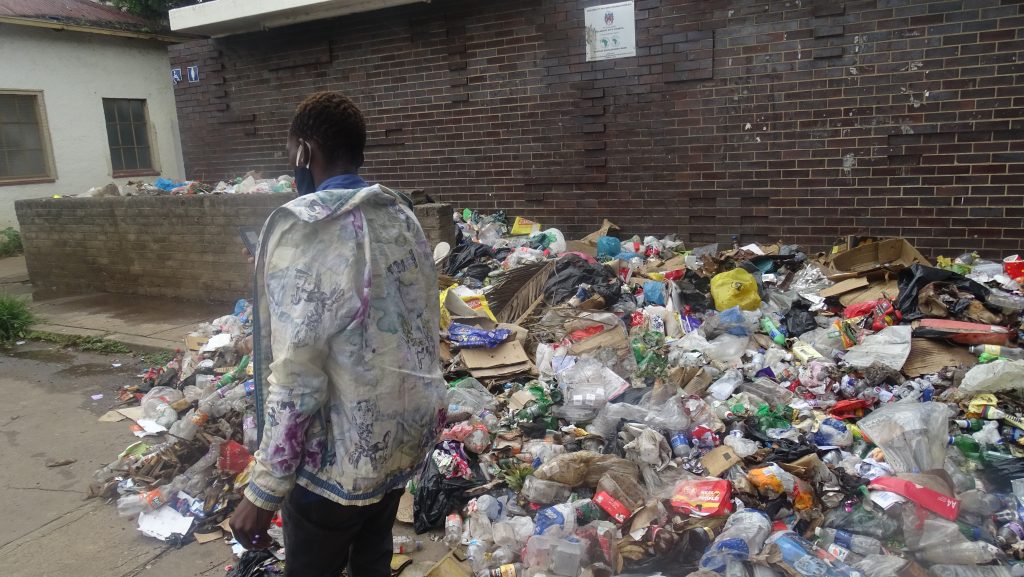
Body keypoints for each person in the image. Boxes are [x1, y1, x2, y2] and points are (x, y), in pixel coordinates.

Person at [230, 92, 446, 577]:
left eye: (291, 152)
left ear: (306, 151)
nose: (290, 163)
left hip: (335, 469)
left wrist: (264, 490)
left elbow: (296, 374)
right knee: (371, 561)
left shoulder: (307, 227)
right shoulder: (401, 215)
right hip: (397, 449)